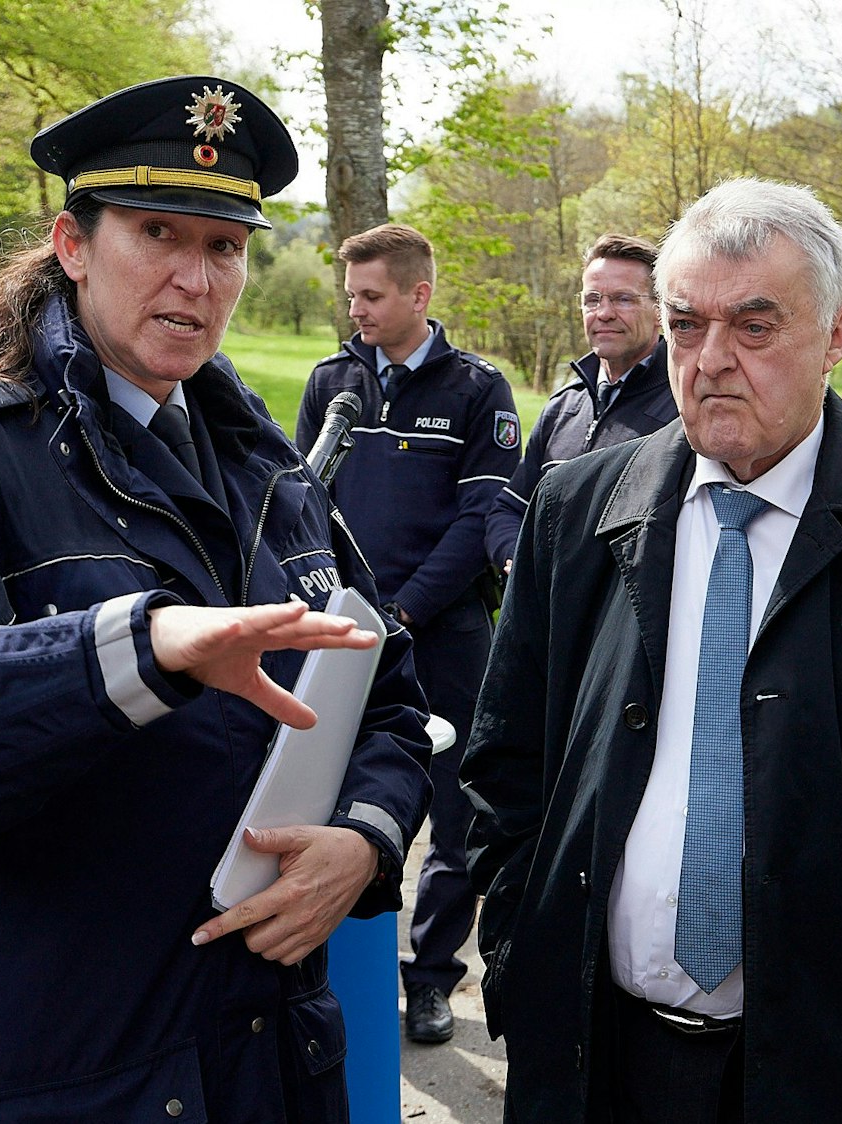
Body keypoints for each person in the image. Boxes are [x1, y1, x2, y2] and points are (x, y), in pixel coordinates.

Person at [0, 76, 434, 1123]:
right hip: (63, 1074)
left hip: (265, 1064)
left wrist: (363, 838)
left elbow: (389, 698)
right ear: (73, 246)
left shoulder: (270, 469)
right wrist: (133, 649)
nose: (195, 276)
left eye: (224, 246)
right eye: (156, 233)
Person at [462, 178, 842, 1124]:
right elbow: (507, 759)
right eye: (686, 325)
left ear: (837, 334)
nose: (711, 361)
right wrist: (519, 954)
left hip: (839, 1071)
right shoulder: (575, 508)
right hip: (592, 1055)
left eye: (755, 327)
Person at [296, 223, 518, 1044]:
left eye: (371, 296)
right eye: (350, 296)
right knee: (337, 797)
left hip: (444, 636)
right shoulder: (332, 382)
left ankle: (429, 978)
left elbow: (480, 517)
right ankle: (337, 969)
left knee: (455, 817)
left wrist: (406, 610)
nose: (355, 311)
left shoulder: (476, 389)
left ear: (419, 294)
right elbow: (302, 501)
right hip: (347, 634)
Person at [483, 233, 678, 572]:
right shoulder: (562, 407)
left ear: (659, 310)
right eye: (592, 299)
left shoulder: (681, 408)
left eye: (623, 299)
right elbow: (509, 509)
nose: (604, 313)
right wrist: (520, 563)